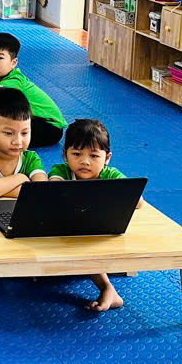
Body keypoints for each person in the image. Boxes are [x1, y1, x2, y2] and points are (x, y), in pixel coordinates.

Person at [47, 118, 140, 312]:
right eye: (76, 154)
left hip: (100, 232)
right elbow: (55, 191)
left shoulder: (111, 174)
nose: (85, 161)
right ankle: (107, 287)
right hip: (67, 234)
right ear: (65, 155)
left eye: (94, 156)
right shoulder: (61, 171)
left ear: (107, 158)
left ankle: (107, 288)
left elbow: (137, 201)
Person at [0, 32, 67, 148]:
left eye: (0, 58)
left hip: (49, 127)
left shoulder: (14, 80)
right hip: (28, 118)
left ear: (13, 63)